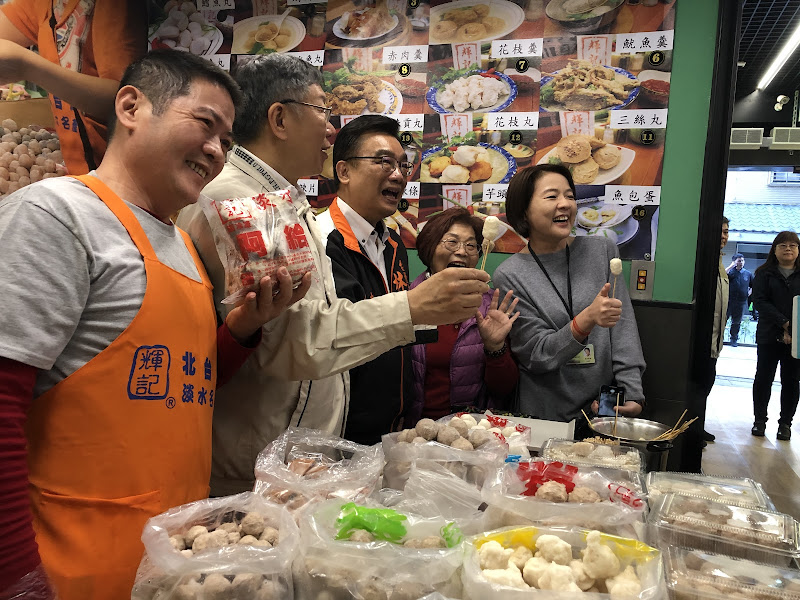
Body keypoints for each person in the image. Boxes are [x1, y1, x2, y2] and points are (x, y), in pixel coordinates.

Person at [0, 50, 310, 599]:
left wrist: (241, 331)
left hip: (174, 571)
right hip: (72, 572)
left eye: (226, 139)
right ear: (131, 106)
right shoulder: (55, 216)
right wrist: (19, 579)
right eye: (204, 124)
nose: (217, 151)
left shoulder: (185, 244)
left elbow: (174, 387)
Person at [176, 56, 491, 492]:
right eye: (323, 111)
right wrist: (413, 307)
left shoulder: (282, 199)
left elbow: (315, 321)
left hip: (296, 459)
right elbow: (296, 342)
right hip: (258, 466)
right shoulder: (239, 201)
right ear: (280, 118)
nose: (331, 130)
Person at [493, 165, 646, 432]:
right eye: (552, 196)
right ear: (524, 210)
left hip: (602, 409)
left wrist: (630, 391)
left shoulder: (602, 250)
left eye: (570, 196)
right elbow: (537, 355)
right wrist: (586, 319)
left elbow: (622, 328)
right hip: (543, 416)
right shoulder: (510, 274)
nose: (565, 204)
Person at [316, 115, 416, 444]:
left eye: (403, 165)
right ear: (343, 171)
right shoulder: (318, 239)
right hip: (334, 436)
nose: (398, 175)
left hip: (391, 430)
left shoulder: (394, 244)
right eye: (384, 162)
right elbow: (326, 338)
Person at [0, 0, 147, 173]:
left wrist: (29, 68)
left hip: (121, 172)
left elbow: (127, 100)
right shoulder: (46, 4)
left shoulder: (113, 7)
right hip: (81, 171)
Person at [407, 207, 520, 424]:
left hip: (470, 434)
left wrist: (495, 347)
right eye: (452, 242)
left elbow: (504, 389)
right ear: (430, 247)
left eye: (471, 245)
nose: (462, 251)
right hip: (413, 432)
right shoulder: (407, 301)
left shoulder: (489, 309)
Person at [751, 231, 800, 441]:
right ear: (775, 249)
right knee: (763, 379)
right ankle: (759, 420)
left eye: (793, 245)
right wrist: (784, 322)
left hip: (797, 338)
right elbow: (759, 301)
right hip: (769, 335)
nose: (788, 249)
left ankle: (785, 424)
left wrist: (794, 327)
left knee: (791, 381)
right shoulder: (764, 272)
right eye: (783, 245)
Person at [700, 216, 730, 444]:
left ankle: (698, 425)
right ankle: (694, 430)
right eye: (720, 231)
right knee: (701, 383)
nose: (723, 236)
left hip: (715, 339)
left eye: (726, 232)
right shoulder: (703, 262)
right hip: (703, 338)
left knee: (708, 381)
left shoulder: (721, 264)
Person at [726, 252, 754, 347]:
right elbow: (722, 276)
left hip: (741, 302)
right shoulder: (730, 272)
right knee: (724, 319)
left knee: (736, 322)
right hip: (729, 301)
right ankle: (719, 338)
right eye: (739, 261)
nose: (741, 262)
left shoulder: (748, 274)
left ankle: (733, 339)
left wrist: (748, 294)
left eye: (742, 260)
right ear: (734, 262)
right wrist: (730, 266)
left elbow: (753, 286)